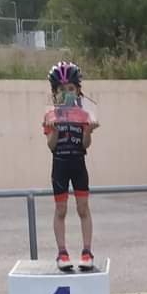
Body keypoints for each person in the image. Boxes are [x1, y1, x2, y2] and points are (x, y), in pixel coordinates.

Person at [44, 61, 98, 271]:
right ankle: (62, 252)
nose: (66, 93)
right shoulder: (50, 115)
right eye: (61, 89)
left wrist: (88, 132)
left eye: (70, 88)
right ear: (54, 92)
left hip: (78, 163)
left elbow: (85, 145)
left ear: (78, 90)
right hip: (59, 164)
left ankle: (87, 251)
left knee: (83, 208)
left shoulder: (84, 114)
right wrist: (55, 130)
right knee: (61, 209)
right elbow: (51, 146)